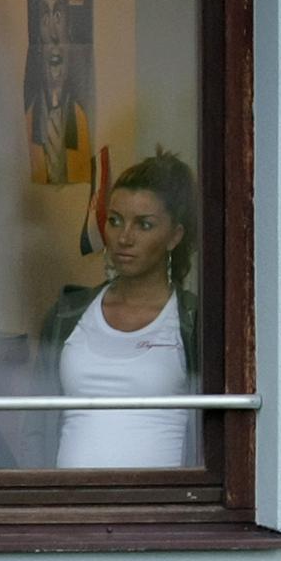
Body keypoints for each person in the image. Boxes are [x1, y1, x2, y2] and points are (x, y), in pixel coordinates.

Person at [33, 148, 200, 469]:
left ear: (174, 236)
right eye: (115, 220)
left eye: (144, 225)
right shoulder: (67, 315)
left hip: (166, 512)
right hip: (70, 508)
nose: (124, 237)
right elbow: (34, 425)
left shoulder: (192, 322)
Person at [24, 0, 91, 185]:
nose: (53, 33)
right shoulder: (29, 122)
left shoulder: (81, 120)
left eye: (59, 14)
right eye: (44, 16)